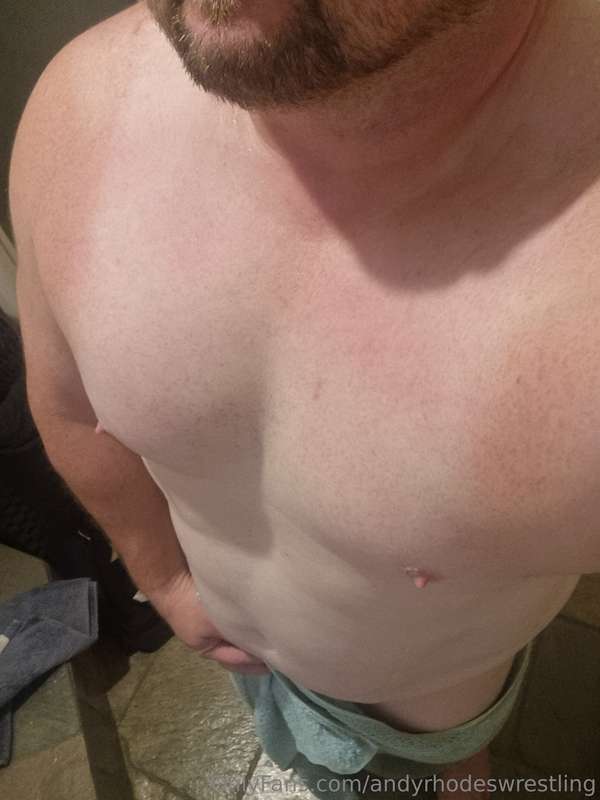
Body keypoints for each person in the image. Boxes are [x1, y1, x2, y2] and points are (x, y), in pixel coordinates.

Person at [9, 0, 600, 796]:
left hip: (427, 713)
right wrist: (169, 583)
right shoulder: (76, 113)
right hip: (231, 641)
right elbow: (72, 410)